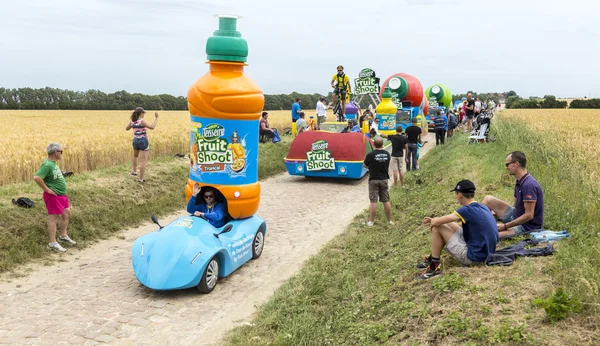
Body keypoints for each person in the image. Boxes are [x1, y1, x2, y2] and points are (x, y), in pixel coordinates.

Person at [416, 180, 498, 279]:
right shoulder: (482, 206)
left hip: (474, 257)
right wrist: (437, 220)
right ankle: (433, 257)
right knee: (445, 222)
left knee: (437, 227)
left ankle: (434, 267)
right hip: (486, 252)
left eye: (456, 193)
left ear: (460, 195)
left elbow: (436, 223)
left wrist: (433, 221)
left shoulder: (466, 210)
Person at [482, 151, 544, 238]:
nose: (506, 167)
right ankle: (476, 222)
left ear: (516, 164)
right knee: (488, 199)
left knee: (490, 235)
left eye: (507, 164)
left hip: (526, 226)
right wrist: (498, 213)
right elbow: (516, 206)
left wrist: (506, 226)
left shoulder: (529, 185)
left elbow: (529, 215)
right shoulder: (520, 180)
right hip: (515, 215)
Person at [33, 143, 77, 253]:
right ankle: (52, 243)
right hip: (54, 196)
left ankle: (63, 236)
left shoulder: (53, 164)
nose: (62, 153)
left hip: (61, 195)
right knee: (53, 218)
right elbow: (37, 177)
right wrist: (47, 189)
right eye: (61, 151)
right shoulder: (47, 165)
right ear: (55, 152)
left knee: (66, 213)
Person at [363, 138, 393, 227]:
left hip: (373, 179)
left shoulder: (370, 155)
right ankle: (390, 220)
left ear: (374, 145)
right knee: (386, 200)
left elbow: (365, 165)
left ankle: (371, 222)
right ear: (382, 144)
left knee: (373, 201)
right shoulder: (387, 154)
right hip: (384, 179)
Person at [125, 107, 159, 183]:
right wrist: (156, 118)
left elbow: (127, 128)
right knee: (143, 160)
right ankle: (141, 179)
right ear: (141, 113)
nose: (144, 114)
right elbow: (152, 127)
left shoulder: (132, 121)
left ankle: (134, 171)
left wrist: (132, 123)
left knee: (135, 156)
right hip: (143, 141)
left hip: (135, 140)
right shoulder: (141, 121)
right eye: (144, 113)